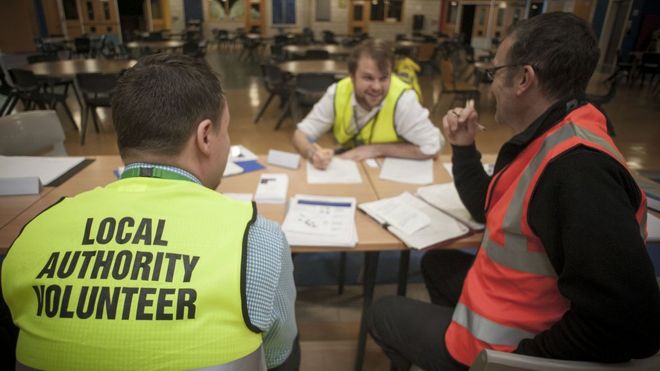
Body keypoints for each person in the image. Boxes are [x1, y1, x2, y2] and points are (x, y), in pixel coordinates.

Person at [367, 12, 660, 370]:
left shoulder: (579, 172)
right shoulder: (557, 132)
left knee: (383, 312)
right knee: (437, 262)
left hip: (519, 346)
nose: (490, 86)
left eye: (495, 73)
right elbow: (489, 207)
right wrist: (463, 147)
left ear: (523, 78)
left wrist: (513, 362)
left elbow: (630, 324)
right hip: (528, 307)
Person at [0, 54, 299, 371]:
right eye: (227, 130)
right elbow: (279, 352)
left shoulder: (34, 234)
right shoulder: (257, 237)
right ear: (206, 136)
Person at [291, 38, 443, 170]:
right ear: (352, 76)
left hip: (395, 173)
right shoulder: (337, 93)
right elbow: (300, 135)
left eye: (384, 78)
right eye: (368, 78)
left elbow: (432, 148)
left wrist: (375, 150)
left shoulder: (403, 100)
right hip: (354, 169)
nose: (377, 87)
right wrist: (313, 154)